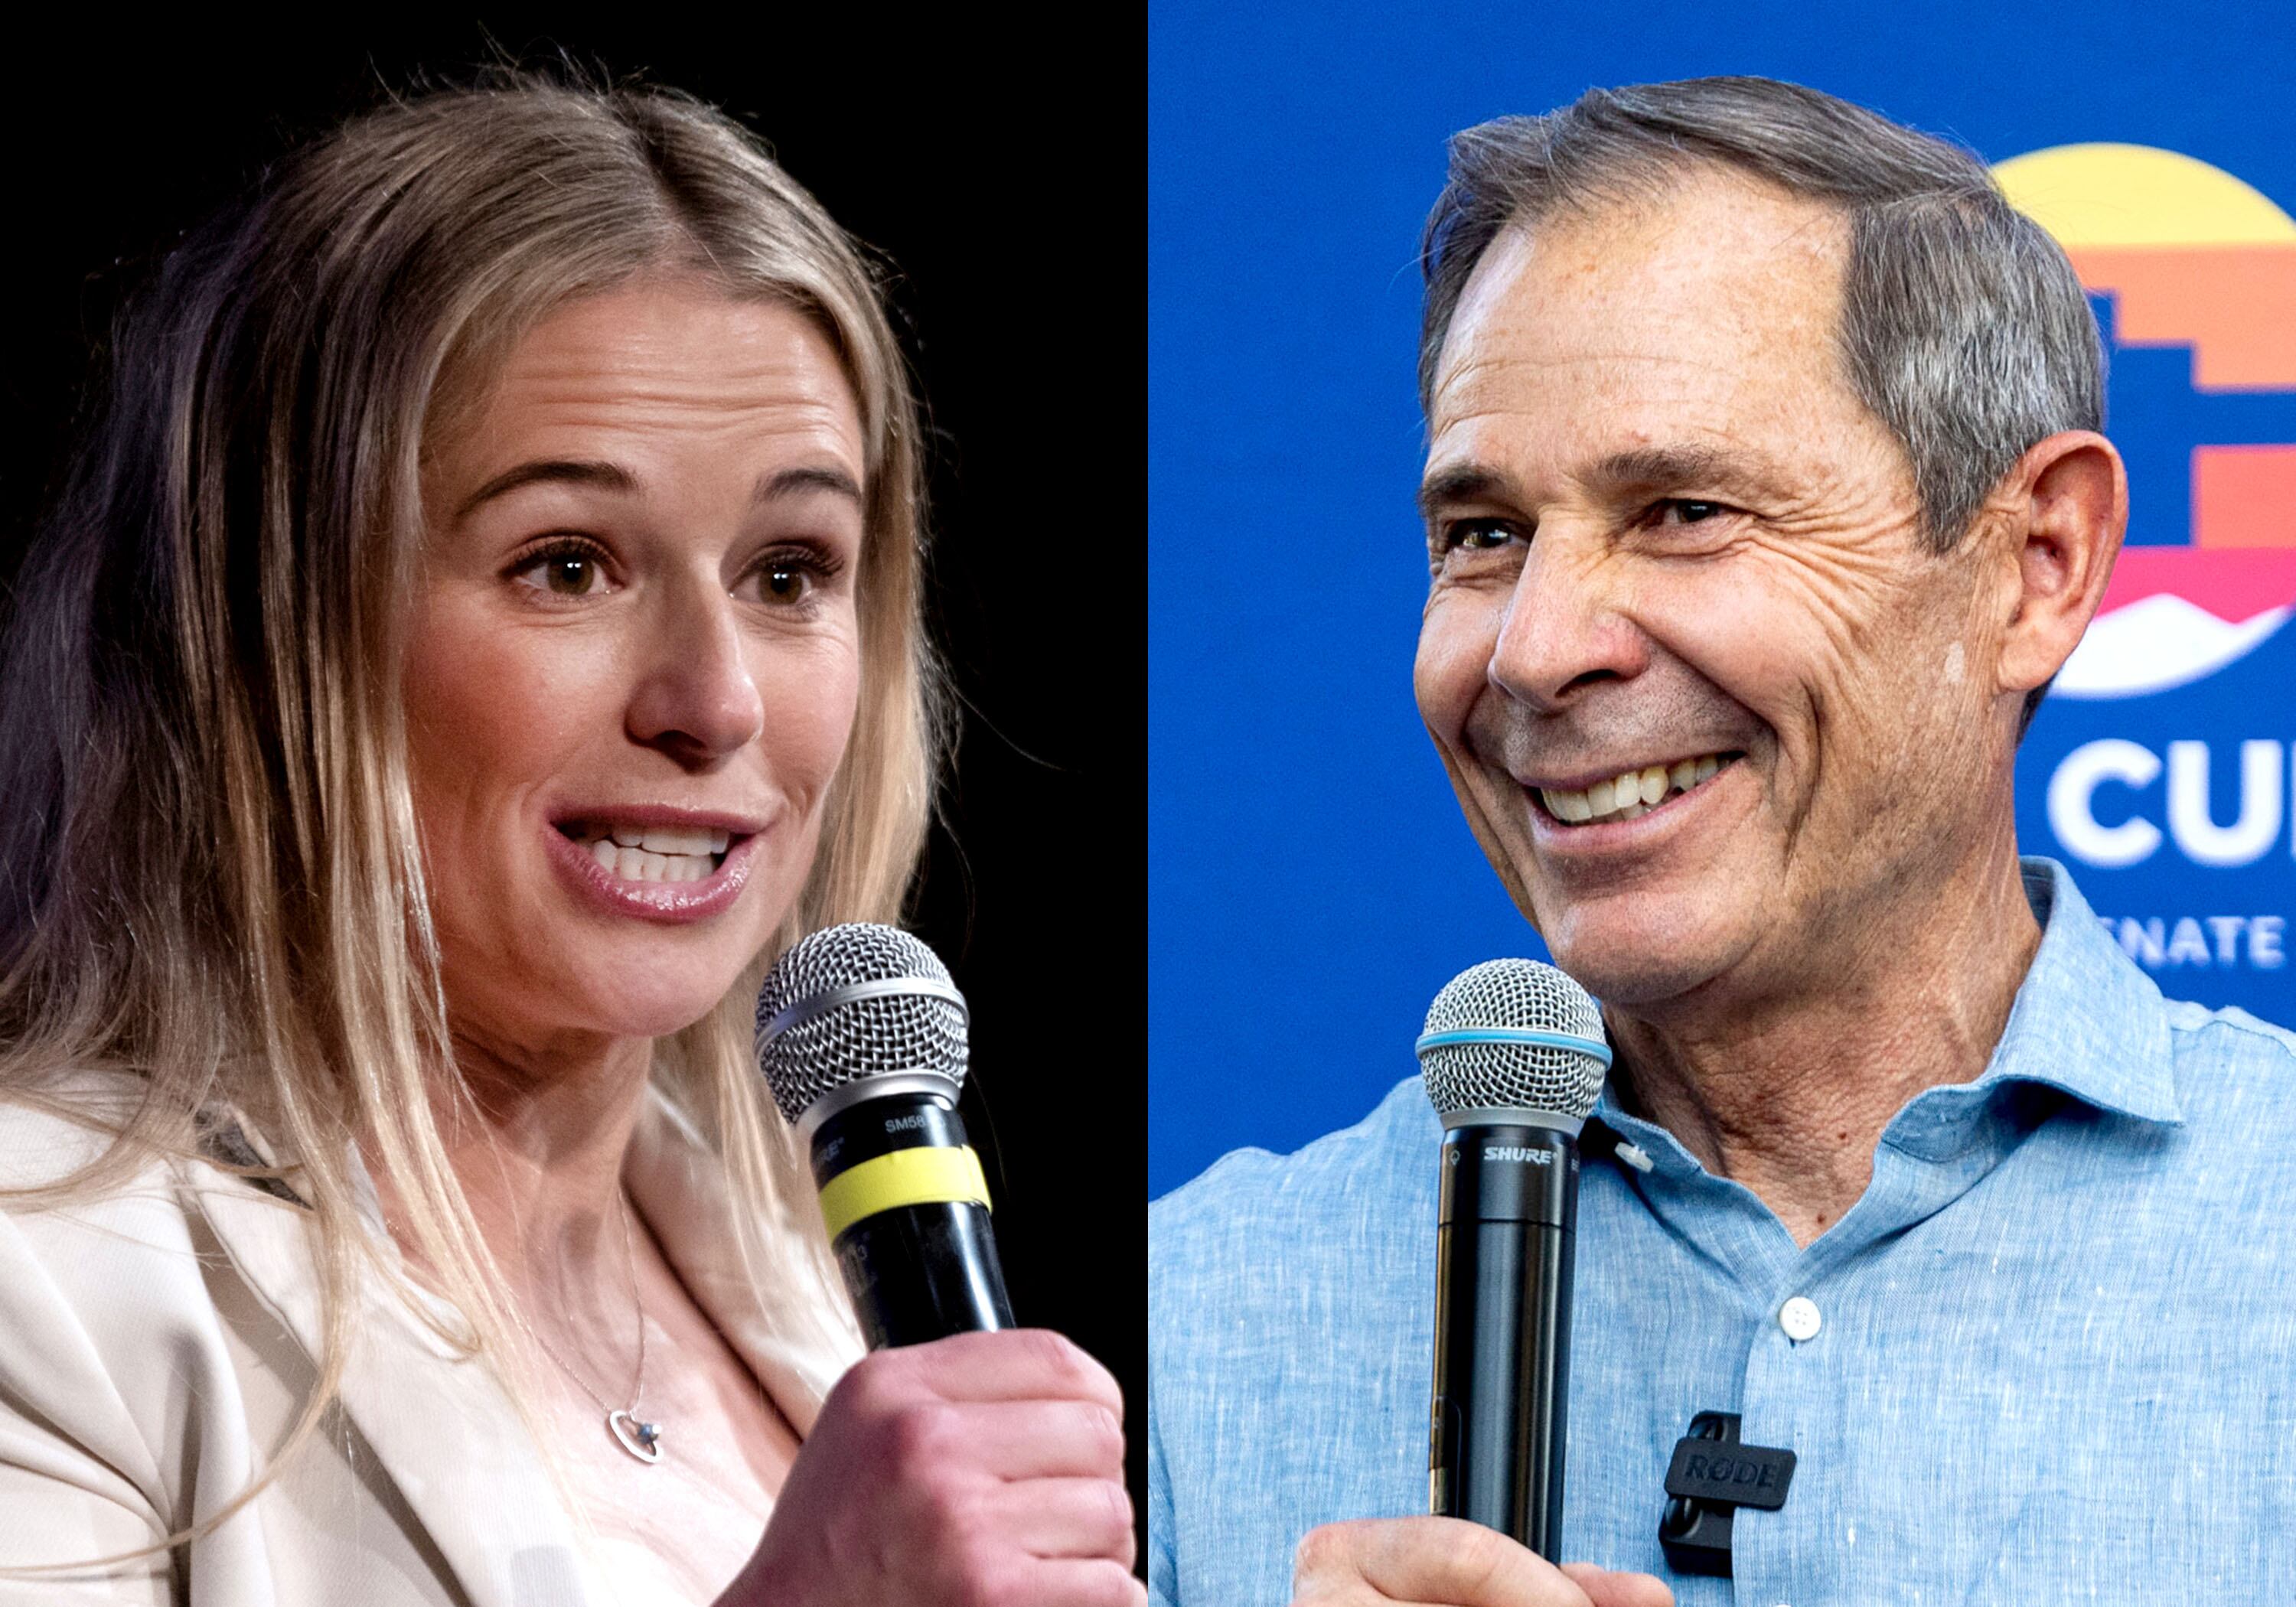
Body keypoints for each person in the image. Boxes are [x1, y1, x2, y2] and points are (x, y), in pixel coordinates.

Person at [1149, 76, 2296, 1607]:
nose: (1537, 649)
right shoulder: (1179, 1336)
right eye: (1483, 535)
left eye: (1685, 509)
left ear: (2035, 568)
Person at [0, 77, 1140, 1607]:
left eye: (792, 572)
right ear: (272, 638)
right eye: (567, 565)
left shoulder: (817, 1300)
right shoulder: (45, 1279)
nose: (715, 700)